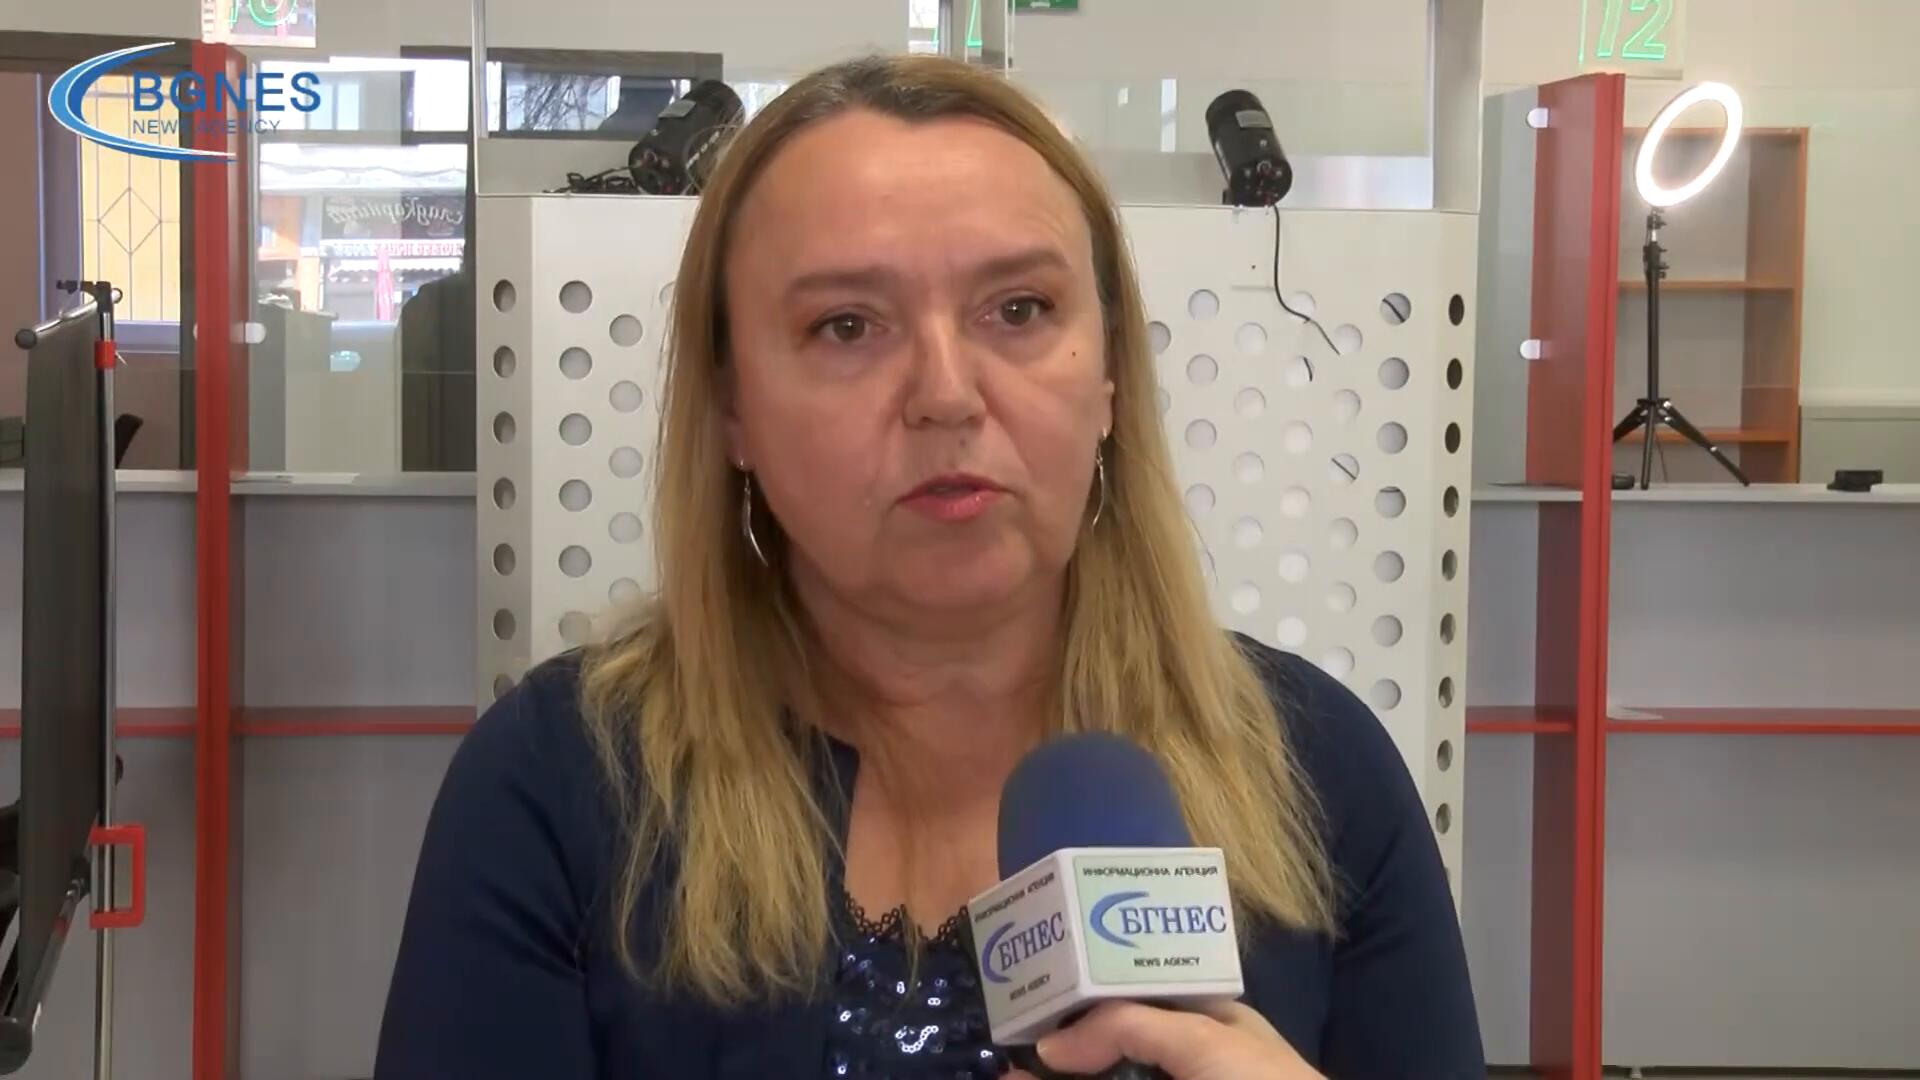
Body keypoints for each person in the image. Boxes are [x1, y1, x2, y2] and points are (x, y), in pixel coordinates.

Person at [376, 54, 1483, 1080]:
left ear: (1109, 378)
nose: (946, 395)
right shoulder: (561, 787)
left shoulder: (1319, 774)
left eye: (1020, 309)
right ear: (732, 408)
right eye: (847, 326)